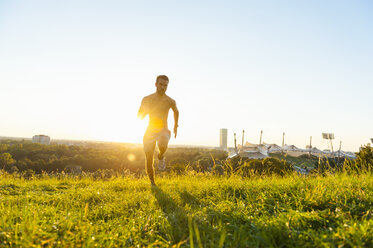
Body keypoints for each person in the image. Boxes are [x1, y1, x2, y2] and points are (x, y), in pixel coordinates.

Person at [137, 75, 179, 186]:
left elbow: (176, 112)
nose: (163, 87)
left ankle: (161, 156)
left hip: (163, 130)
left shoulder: (170, 101)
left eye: (165, 85)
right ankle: (152, 183)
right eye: (161, 84)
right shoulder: (147, 99)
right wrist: (145, 109)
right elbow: (139, 116)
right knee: (149, 158)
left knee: (163, 141)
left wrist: (175, 126)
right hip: (150, 131)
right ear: (156, 84)